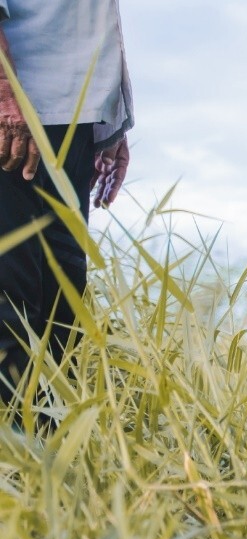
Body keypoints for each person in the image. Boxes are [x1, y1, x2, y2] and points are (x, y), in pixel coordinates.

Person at [0, 0, 132, 409]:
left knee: (62, 306)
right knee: (12, 300)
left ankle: (50, 459)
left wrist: (111, 124)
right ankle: (11, 458)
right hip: (18, 109)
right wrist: (4, 95)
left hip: (73, 120)